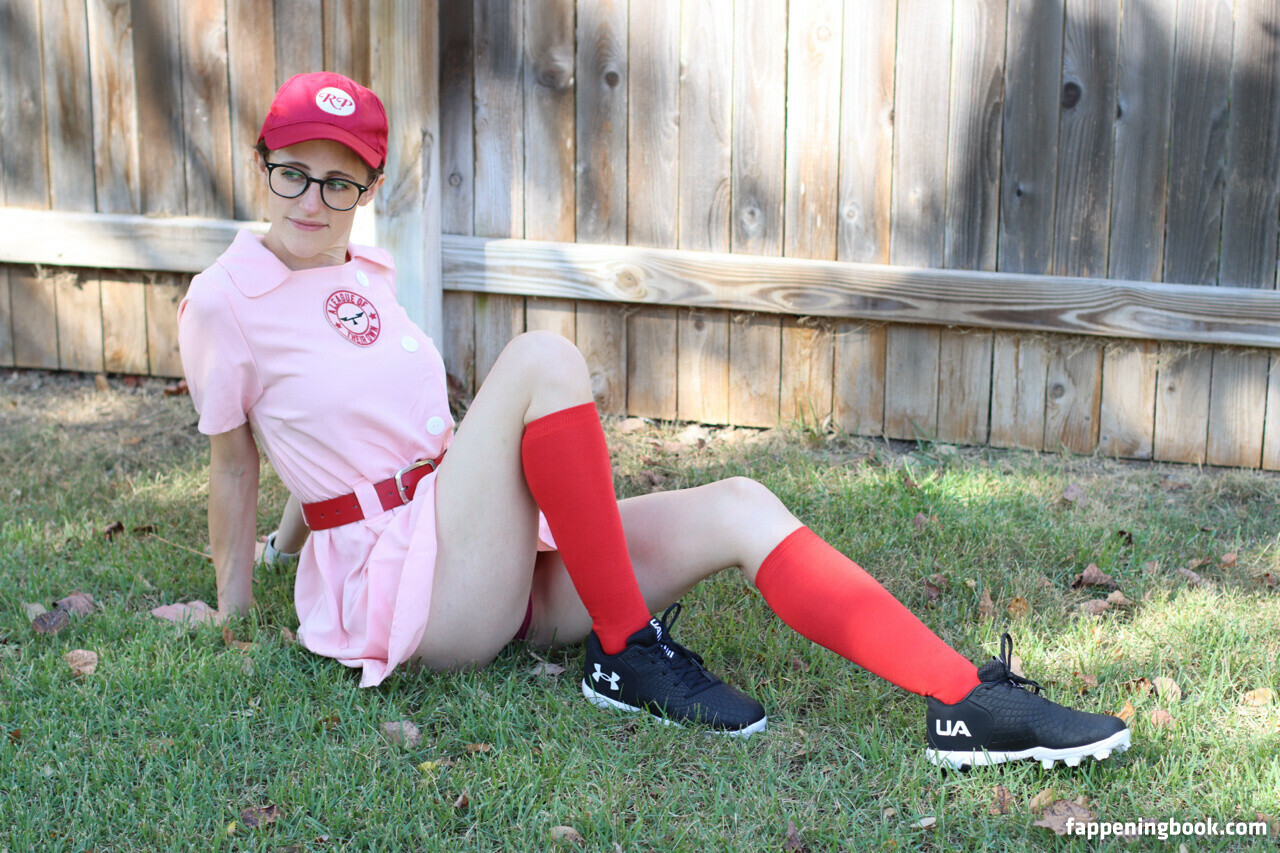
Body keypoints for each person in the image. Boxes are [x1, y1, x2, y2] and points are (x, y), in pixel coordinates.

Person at [173, 71, 1130, 770]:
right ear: (263, 166)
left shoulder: (366, 273)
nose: (313, 200)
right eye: (293, 173)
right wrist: (235, 608)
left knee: (740, 501)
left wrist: (284, 543)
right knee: (542, 357)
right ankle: (627, 655)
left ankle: (965, 700)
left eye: (340, 181)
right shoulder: (225, 300)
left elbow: (349, 435)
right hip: (419, 591)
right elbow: (239, 459)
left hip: (481, 548)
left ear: (370, 187)